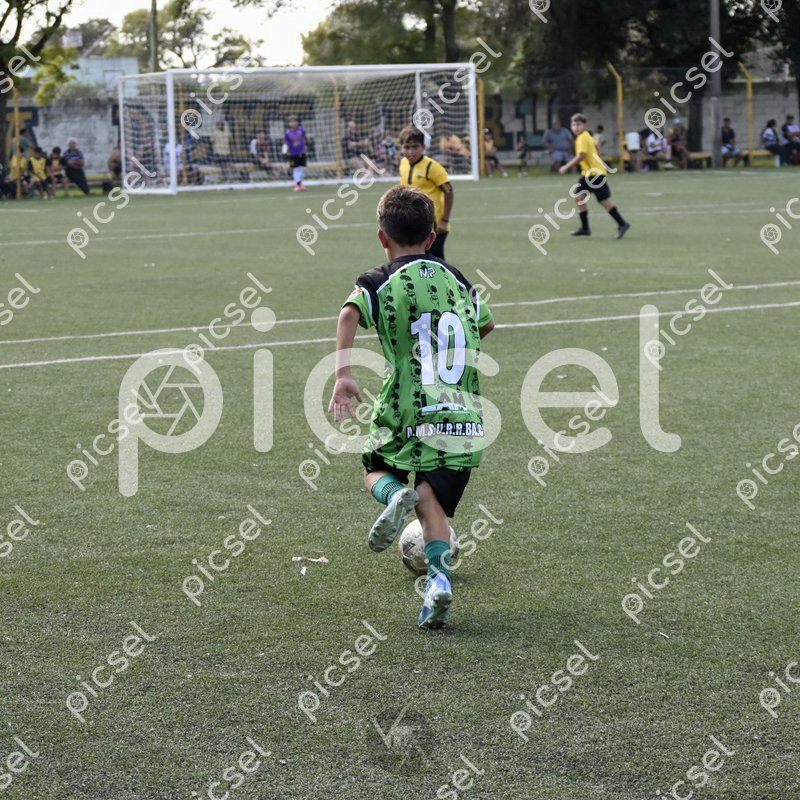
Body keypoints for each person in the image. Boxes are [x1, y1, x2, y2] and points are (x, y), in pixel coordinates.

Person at [328, 185, 495, 629]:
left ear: (382, 237)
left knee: (374, 468)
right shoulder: (458, 279)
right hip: (461, 413)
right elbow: (487, 323)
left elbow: (349, 313)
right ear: (431, 238)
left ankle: (393, 494)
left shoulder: (379, 280)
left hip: (407, 406)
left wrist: (344, 374)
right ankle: (438, 581)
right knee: (431, 500)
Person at [559, 112, 630, 239]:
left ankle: (622, 223)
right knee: (579, 198)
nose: (576, 127)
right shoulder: (586, 136)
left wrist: (566, 166)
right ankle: (585, 228)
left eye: (578, 124)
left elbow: (582, 155)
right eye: (573, 125)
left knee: (603, 200)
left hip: (595, 174)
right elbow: (597, 148)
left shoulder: (582, 138)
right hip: (588, 173)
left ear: (584, 125)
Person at [398, 125, 454, 259]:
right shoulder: (403, 164)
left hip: (434, 225)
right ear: (401, 148)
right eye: (406, 147)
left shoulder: (432, 167)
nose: (411, 151)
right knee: (425, 261)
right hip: (415, 223)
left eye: (415, 147)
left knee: (431, 261)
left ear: (423, 147)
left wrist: (444, 220)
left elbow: (449, 191)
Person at [284, 115, 308, 191]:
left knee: (303, 169)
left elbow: (305, 138)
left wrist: (305, 146)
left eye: (294, 121)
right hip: (293, 154)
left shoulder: (301, 130)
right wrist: (285, 152)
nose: (293, 123)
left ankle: (299, 184)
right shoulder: (288, 133)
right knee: (296, 169)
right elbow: (286, 143)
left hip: (301, 152)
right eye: (291, 122)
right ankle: (298, 185)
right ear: (289, 123)